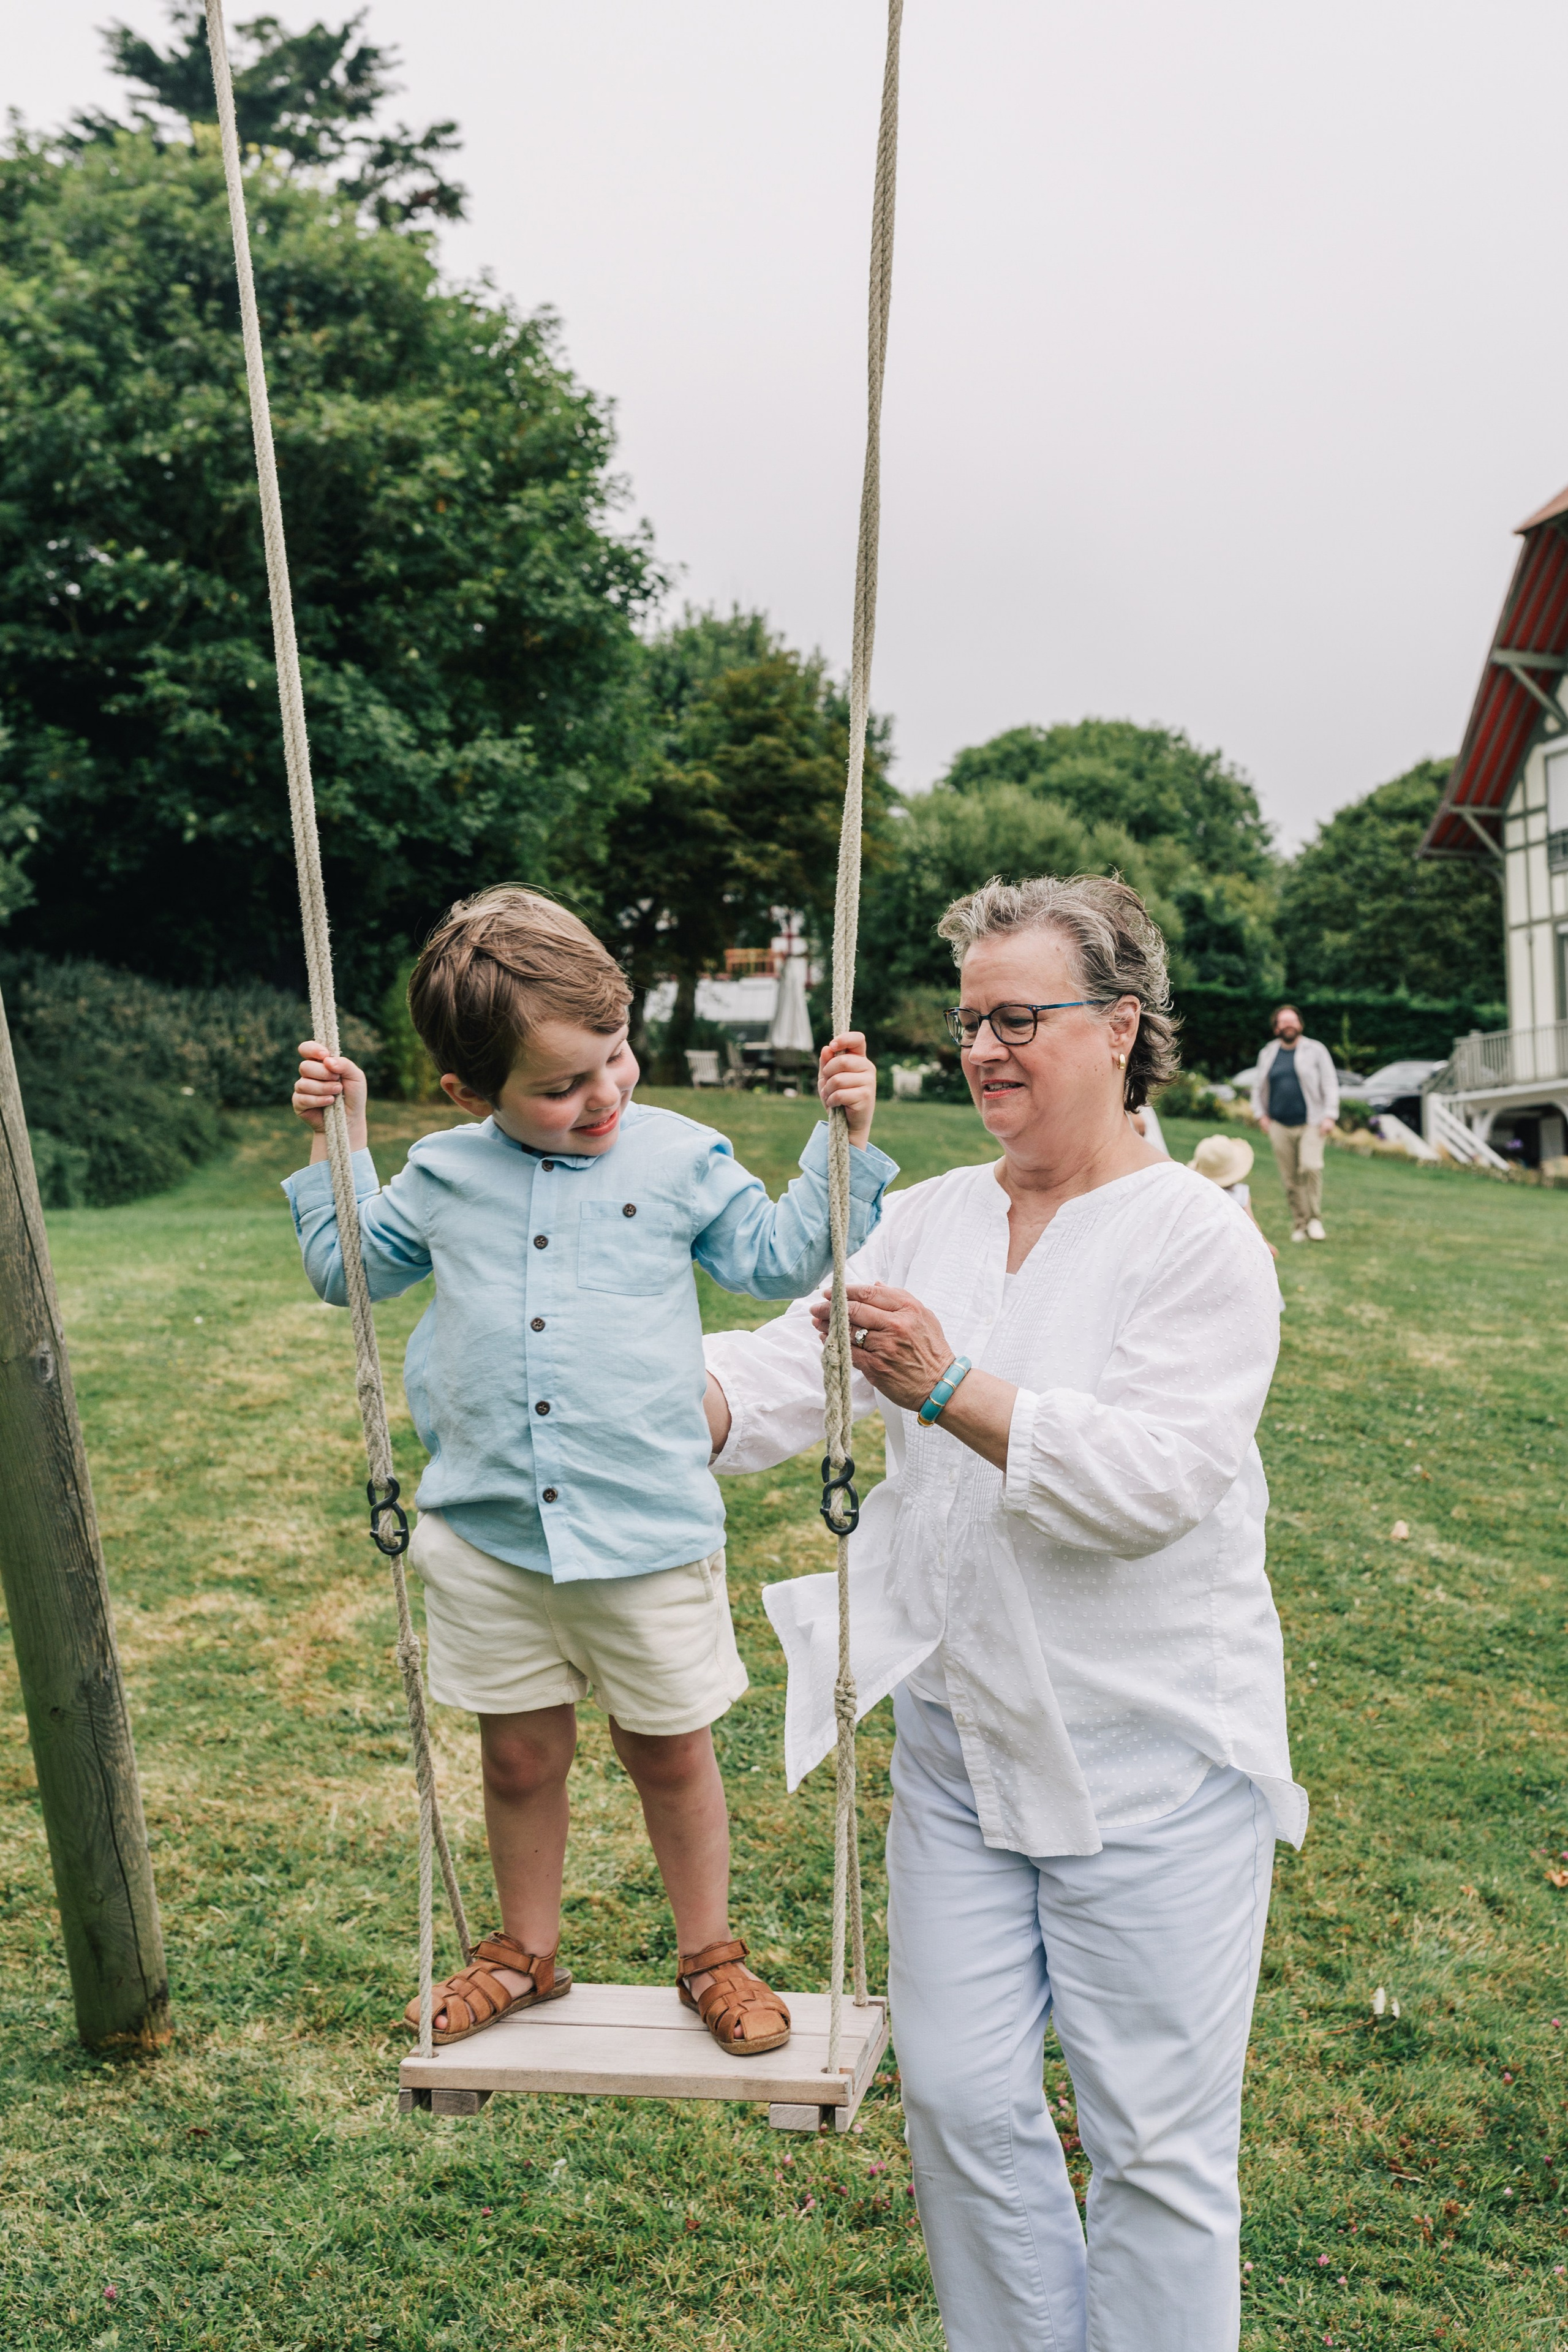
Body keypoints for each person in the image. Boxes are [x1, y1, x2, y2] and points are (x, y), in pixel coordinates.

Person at [702, 875, 1303, 2352]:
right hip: (958, 1752)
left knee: (1153, 2147)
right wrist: (625, 1394)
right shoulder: (921, 1214)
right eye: (970, 1019)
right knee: (962, 2100)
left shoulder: (1193, 1234)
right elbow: (787, 1374)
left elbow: (1154, 1481)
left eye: (1016, 1017)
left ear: (1118, 1027)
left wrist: (947, 1385)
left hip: (1153, 1765)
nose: (983, 1047)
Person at [284, 886, 894, 2056]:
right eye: (561, 1086)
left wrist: (841, 1142)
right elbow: (344, 1269)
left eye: (614, 1059)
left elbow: (775, 1261)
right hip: (490, 1536)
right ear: (471, 1094)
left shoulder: (676, 1155)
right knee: (517, 1756)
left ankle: (710, 1951)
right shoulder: (445, 1172)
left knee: (668, 1749)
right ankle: (523, 1948)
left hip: (647, 1531)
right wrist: (340, 1138)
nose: (604, 1094)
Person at [1251, 1004, 1337, 1243]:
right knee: (1290, 1179)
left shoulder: (1316, 1050)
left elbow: (1330, 1083)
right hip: (1279, 1124)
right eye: (1283, 1022)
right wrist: (1261, 1115)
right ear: (1277, 1027)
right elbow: (1259, 1087)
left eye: (1293, 1021)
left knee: (1310, 1167)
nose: (1288, 1025)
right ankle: (1300, 1224)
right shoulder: (1268, 1053)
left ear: (1300, 1024)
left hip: (1312, 1122)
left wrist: (1330, 1115)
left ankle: (1315, 1220)